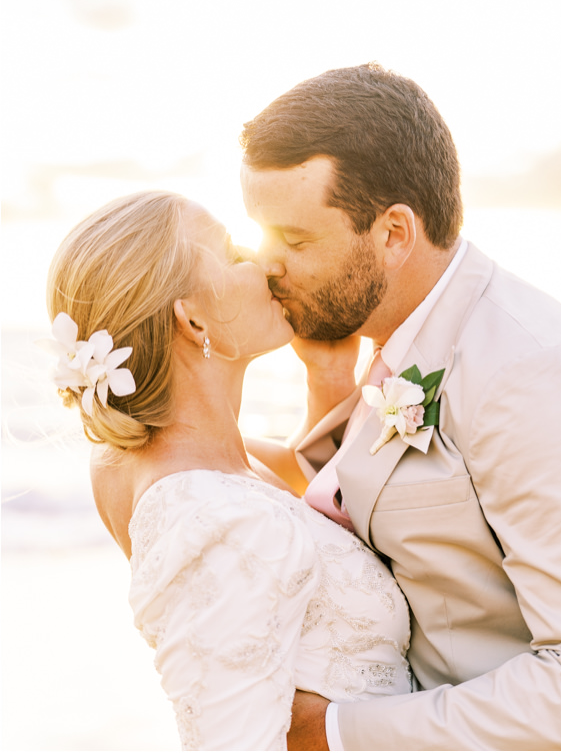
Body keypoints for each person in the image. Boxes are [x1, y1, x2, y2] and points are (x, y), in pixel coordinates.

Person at [237, 64, 561, 750]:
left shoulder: (525, 367)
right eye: (262, 236)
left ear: (394, 233)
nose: (267, 266)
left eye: (295, 240)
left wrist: (330, 733)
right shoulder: (404, 337)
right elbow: (376, 522)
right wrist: (327, 381)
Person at [51, 191, 414, 749]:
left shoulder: (163, 459)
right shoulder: (211, 519)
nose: (264, 260)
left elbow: (306, 498)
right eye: (229, 250)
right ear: (192, 319)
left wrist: (328, 377)